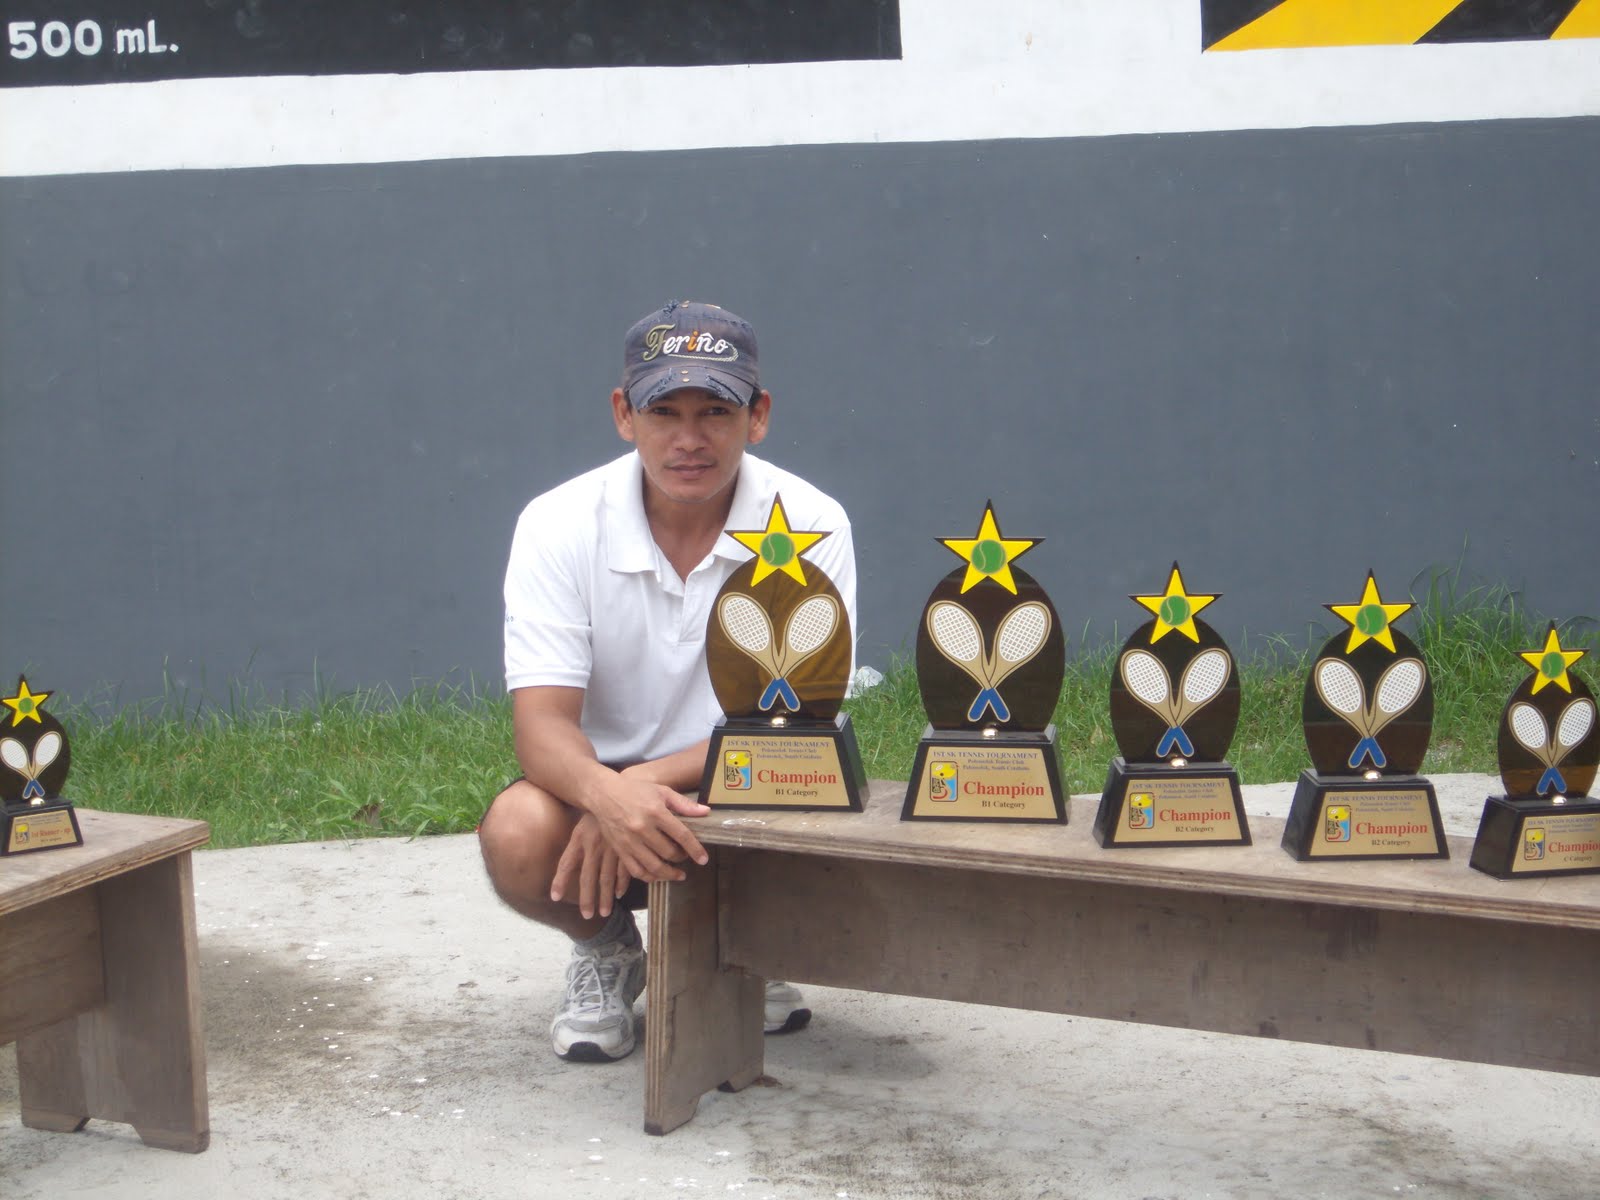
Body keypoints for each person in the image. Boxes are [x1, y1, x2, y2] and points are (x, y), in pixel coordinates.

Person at [478, 300, 856, 1062]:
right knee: (516, 831)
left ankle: (745, 952)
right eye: (664, 412)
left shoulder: (813, 521)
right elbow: (541, 723)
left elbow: (799, 721)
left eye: (716, 411)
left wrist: (635, 788)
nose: (689, 439)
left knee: (817, 805)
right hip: (598, 784)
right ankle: (607, 948)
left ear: (758, 416)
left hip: (748, 776)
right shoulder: (557, 522)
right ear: (624, 414)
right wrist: (602, 793)